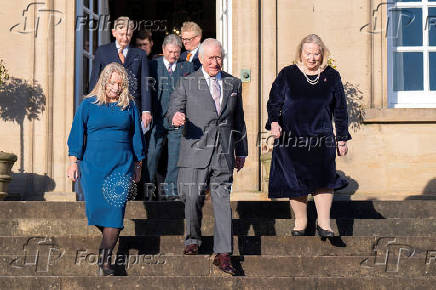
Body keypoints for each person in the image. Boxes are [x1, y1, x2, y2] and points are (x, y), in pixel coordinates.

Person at [167, 38, 248, 275]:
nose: (215, 62)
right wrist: (175, 117)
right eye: (210, 58)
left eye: (218, 57)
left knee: (222, 201)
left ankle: (224, 253)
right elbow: (172, 109)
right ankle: (192, 238)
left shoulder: (233, 83)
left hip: (223, 152)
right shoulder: (187, 83)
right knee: (191, 197)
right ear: (200, 59)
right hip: (195, 151)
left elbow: (238, 120)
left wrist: (241, 150)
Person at [265, 34, 351, 238]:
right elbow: (274, 101)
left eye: (316, 54)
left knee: (324, 179)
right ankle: (301, 222)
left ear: (322, 55)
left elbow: (340, 109)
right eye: (308, 53)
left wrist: (342, 138)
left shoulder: (332, 76)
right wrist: (274, 122)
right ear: (300, 53)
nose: (312, 58)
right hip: (291, 138)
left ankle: (324, 224)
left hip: (321, 137)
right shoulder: (288, 74)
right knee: (295, 181)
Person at [67, 63, 145, 276]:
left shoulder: (129, 106)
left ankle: (105, 260)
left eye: (119, 84)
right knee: (96, 211)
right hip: (93, 166)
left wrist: (138, 165)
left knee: (115, 212)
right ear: (104, 81)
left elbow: (137, 136)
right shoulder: (88, 104)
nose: (115, 88)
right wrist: (73, 161)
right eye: (111, 83)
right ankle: (106, 249)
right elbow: (76, 133)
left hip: (121, 165)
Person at [146, 34, 193, 201]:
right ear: (163, 49)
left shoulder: (187, 67)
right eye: (170, 51)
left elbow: (192, 93)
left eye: (177, 52)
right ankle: (149, 190)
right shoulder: (152, 65)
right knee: (152, 155)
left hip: (177, 120)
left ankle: (171, 192)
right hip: (157, 119)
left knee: (175, 156)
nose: (173, 55)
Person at [89, 16, 152, 129]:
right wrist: (92, 105)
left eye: (128, 34)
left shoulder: (140, 54)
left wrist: (146, 110)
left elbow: (145, 84)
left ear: (132, 34)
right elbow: (95, 80)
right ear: (114, 33)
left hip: (133, 106)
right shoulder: (102, 51)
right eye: (121, 34)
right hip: (107, 105)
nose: (125, 38)